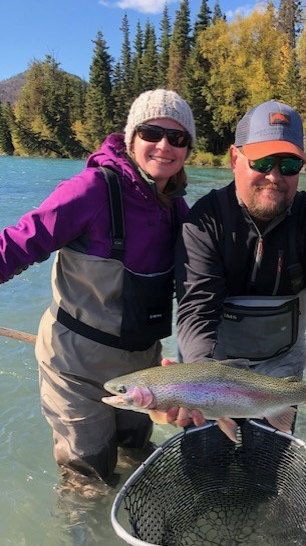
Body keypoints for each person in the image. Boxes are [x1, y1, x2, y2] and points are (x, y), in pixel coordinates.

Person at [0, 89, 196, 483]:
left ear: (188, 149)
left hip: (141, 370)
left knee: (134, 453)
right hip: (74, 369)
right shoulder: (90, 190)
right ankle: (82, 541)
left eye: (178, 139)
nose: (164, 146)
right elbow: (19, 243)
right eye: (151, 133)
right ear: (131, 138)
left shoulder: (179, 210)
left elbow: (201, 292)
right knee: (88, 477)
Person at [174, 99, 306, 439]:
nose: (274, 176)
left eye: (289, 164)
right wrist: (197, 378)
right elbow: (196, 309)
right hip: (211, 366)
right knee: (204, 461)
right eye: (261, 161)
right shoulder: (205, 221)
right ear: (234, 159)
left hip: (281, 368)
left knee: (269, 462)